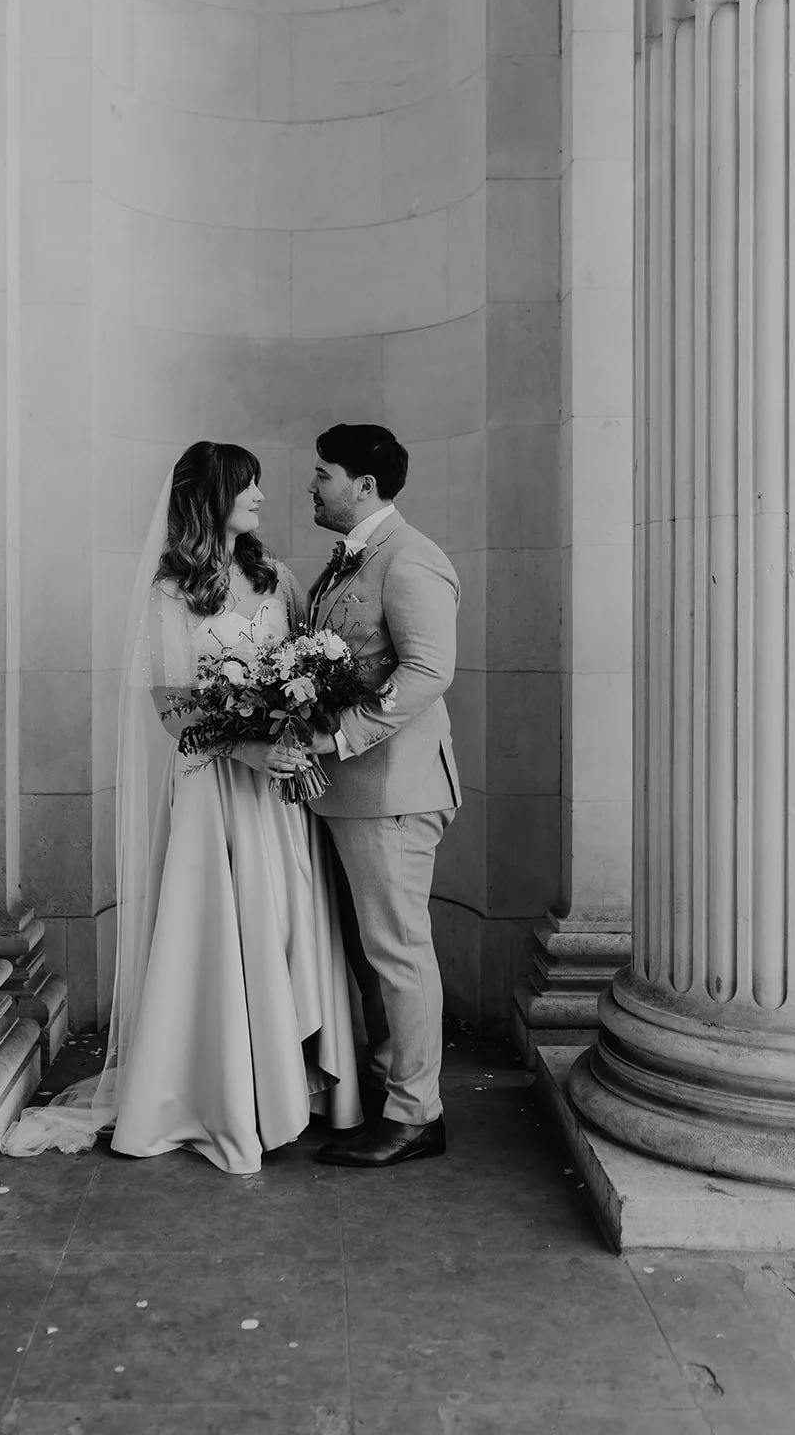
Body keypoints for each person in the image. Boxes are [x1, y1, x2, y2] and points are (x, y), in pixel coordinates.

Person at [66, 440, 362, 1175]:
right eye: (247, 484)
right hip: (211, 785)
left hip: (275, 789)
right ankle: (224, 1095)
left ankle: (294, 1082)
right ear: (211, 498)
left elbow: (302, 675)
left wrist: (290, 742)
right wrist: (248, 750)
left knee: (287, 920)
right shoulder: (170, 593)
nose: (262, 494)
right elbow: (172, 710)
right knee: (222, 934)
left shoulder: (278, 579)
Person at [305, 424, 460, 1169]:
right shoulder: (348, 561)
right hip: (351, 794)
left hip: (392, 790)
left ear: (363, 485)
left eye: (324, 473)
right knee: (372, 956)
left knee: (397, 953)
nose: (313, 484)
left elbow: (428, 671)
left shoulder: (410, 558)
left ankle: (414, 1113)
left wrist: (336, 738)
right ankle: (386, 1087)